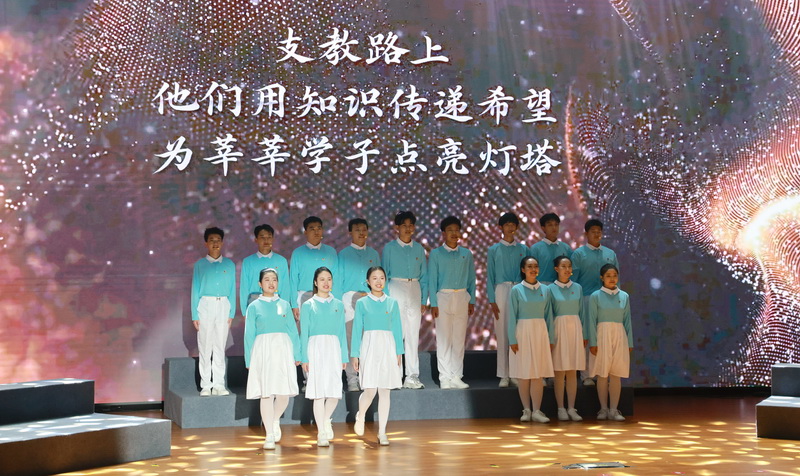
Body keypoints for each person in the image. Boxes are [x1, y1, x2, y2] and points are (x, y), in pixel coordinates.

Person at [244, 268, 300, 450]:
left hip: (283, 349)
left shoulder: (285, 305)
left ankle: (275, 420)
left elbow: (292, 331)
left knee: (283, 393)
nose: (271, 283)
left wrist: (297, 354)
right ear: (260, 284)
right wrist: (249, 360)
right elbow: (249, 335)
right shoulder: (254, 306)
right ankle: (269, 433)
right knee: (266, 393)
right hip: (263, 350)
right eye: (267, 279)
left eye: (274, 279)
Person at [351, 266, 404, 446]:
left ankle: (382, 432)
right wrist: (355, 354)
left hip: (388, 347)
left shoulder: (392, 303)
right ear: (368, 281)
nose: (378, 281)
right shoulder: (362, 303)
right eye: (374, 278)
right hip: (369, 347)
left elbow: (397, 328)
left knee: (385, 390)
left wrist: (399, 352)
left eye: (381, 277)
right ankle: (361, 415)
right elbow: (357, 329)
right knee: (370, 390)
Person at [300, 267, 348, 447]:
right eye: (322, 279)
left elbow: (341, 332)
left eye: (329, 279)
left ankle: (326, 419)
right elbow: (304, 333)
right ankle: (321, 432)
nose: (326, 283)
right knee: (319, 393)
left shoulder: (338, 305)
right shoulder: (308, 305)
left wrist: (344, 356)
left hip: (334, 348)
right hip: (315, 348)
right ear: (315, 282)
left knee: (334, 392)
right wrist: (304, 358)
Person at [381, 211, 428, 389]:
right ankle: (394, 375)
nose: (408, 229)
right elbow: (384, 274)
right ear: (397, 228)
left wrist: (423, 299)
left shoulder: (418, 249)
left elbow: (424, 276)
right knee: (396, 334)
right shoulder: (389, 248)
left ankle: (412, 376)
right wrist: (386, 298)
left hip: (414, 288)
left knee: (412, 335)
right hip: (396, 287)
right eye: (404, 225)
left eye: (411, 225)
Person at [429, 216, 476, 389]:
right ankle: (444, 377)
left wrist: (472, 300)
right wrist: (434, 303)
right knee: (444, 339)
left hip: (462, 297)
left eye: (456, 230)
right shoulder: (436, 254)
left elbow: (472, 279)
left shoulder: (466, 254)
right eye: (450, 230)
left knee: (458, 339)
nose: (454, 233)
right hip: (443, 297)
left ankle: (456, 376)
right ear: (443, 233)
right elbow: (432, 280)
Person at [571, 219, 619, 386]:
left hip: (606, 301)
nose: (597, 234)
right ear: (586, 234)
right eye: (593, 231)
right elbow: (573, 282)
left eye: (599, 231)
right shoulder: (578, 254)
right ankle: (587, 375)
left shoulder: (610, 254)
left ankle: (602, 372)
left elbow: (616, 281)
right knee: (587, 337)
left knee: (603, 336)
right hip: (586, 299)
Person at [191, 226, 236, 397]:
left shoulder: (229, 264)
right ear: (206, 243)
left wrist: (231, 313)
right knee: (205, 345)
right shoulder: (200, 265)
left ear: (222, 243)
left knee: (219, 346)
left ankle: (219, 384)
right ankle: (206, 385)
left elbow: (232, 290)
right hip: (205, 304)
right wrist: (195, 314)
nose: (215, 243)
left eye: (218, 240)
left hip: (223, 304)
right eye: (211, 240)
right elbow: (195, 290)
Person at [508, 256, 555, 423]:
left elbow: (549, 315)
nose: (533, 269)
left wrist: (550, 338)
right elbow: (512, 315)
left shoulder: (546, 290)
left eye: (535, 266)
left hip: (540, 332)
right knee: (524, 373)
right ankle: (526, 410)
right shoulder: (516, 290)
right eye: (529, 266)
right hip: (522, 332)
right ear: (523, 270)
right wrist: (512, 339)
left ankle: (537, 411)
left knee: (538, 374)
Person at [338, 218, 380, 392]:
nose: (361, 233)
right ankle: (352, 379)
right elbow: (338, 280)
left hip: (369, 298)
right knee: (350, 339)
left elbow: (380, 279)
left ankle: (366, 377)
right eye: (357, 230)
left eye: (364, 229)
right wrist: (339, 303)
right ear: (350, 233)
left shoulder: (373, 254)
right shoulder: (343, 254)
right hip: (349, 297)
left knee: (368, 339)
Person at [486, 212, 528, 388]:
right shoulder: (493, 250)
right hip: (501, 290)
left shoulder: (523, 249)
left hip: (519, 289)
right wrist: (492, 299)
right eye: (507, 225)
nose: (510, 228)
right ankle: (503, 374)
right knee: (502, 331)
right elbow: (489, 276)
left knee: (518, 332)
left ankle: (516, 372)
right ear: (501, 228)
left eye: (513, 224)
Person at [588, 264, 633, 422]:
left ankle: (614, 410)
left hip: (619, 336)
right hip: (602, 336)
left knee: (616, 374)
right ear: (602, 278)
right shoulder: (595, 296)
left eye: (614, 275)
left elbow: (627, 320)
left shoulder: (624, 296)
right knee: (603, 373)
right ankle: (603, 409)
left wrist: (629, 342)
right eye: (608, 276)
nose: (612, 279)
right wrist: (593, 342)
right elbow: (591, 320)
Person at [548, 256, 585, 421]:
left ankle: (571, 408)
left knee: (572, 371)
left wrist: (584, 334)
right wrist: (550, 337)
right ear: (556, 269)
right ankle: (560, 408)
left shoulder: (577, 288)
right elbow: (548, 314)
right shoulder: (550, 289)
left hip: (575, 330)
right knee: (559, 371)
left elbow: (582, 312)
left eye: (569, 266)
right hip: (558, 330)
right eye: (563, 266)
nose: (567, 269)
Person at [290, 216, 338, 320]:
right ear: (305, 232)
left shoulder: (331, 252)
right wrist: (294, 304)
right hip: (304, 296)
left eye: (319, 228)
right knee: (304, 328)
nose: (316, 232)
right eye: (312, 229)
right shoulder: (298, 253)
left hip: (326, 296)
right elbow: (293, 280)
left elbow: (336, 278)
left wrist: (336, 302)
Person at [239, 224, 291, 316]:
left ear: (273, 239)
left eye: (269, 237)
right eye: (262, 237)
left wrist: (285, 309)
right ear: (256, 239)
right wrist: (244, 312)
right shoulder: (248, 262)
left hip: (276, 301)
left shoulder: (281, 261)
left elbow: (285, 287)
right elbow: (244, 288)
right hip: (254, 301)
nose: (266, 240)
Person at [529, 213, 573, 285]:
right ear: (543, 228)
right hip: (541, 287)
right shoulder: (535, 249)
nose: (554, 228)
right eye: (550, 225)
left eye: (556, 224)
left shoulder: (566, 248)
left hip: (562, 287)